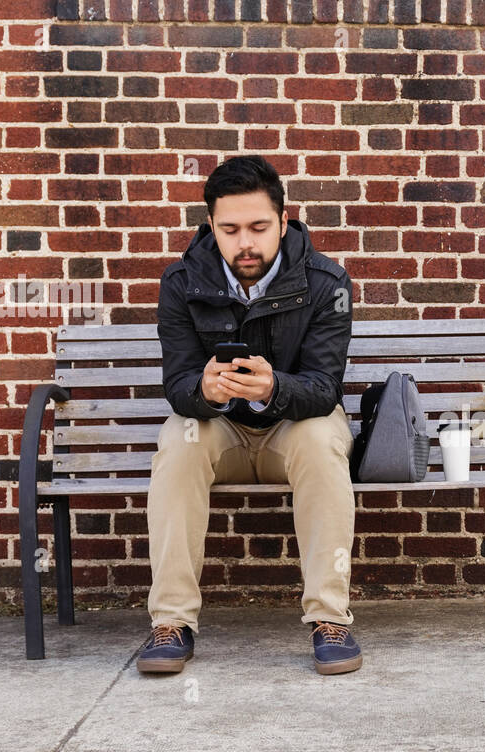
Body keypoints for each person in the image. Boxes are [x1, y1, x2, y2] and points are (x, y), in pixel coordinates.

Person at [142, 155, 360, 676]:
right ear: (210, 226)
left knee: (320, 440)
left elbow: (325, 387)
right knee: (180, 440)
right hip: (220, 431)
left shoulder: (327, 282)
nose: (246, 243)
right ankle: (171, 623)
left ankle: (330, 618)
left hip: (294, 426)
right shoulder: (180, 282)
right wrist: (205, 391)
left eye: (259, 228)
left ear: (284, 222)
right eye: (230, 229)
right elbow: (177, 386)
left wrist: (274, 387)